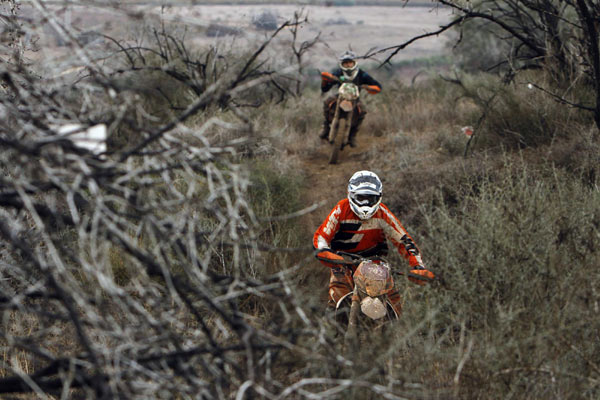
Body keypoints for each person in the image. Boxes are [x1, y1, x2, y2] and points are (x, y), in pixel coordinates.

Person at [313, 170, 434, 317]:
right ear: (350, 194)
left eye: (370, 199)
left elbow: (404, 240)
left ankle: (396, 334)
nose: (365, 203)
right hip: (343, 263)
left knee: (394, 304)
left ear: (379, 197)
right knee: (336, 300)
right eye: (360, 198)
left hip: (375, 264)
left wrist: (418, 266)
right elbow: (322, 236)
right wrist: (324, 251)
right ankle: (329, 334)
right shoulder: (341, 209)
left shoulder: (382, 213)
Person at [318, 51, 382, 147]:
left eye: (350, 62)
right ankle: (326, 126)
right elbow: (325, 88)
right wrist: (326, 80)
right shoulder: (338, 72)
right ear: (342, 63)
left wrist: (369, 87)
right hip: (340, 95)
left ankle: (352, 136)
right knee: (327, 102)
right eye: (345, 63)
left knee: (362, 110)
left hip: (355, 98)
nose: (348, 65)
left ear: (354, 62)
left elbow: (377, 85)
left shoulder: (361, 74)